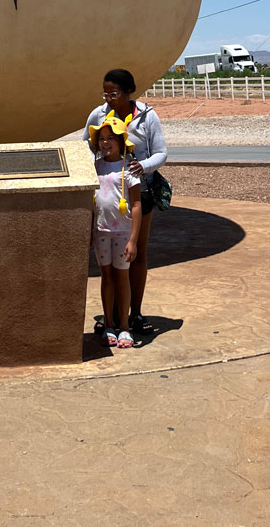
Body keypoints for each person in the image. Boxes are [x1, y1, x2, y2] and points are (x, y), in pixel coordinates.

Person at [84, 69, 167, 334]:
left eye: (114, 93)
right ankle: (116, 316)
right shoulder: (98, 115)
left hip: (138, 190)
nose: (109, 98)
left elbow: (162, 152)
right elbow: (87, 143)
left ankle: (136, 313)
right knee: (111, 262)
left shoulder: (147, 116)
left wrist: (140, 167)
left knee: (136, 252)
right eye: (105, 93)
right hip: (110, 191)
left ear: (129, 92)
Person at [89, 115, 141, 348]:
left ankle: (125, 327)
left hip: (122, 232)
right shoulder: (95, 167)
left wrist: (133, 239)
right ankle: (108, 324)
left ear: (121, 142)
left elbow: (137, 205)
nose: (105, 143)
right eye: (101, 139)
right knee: (106, 277)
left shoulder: (129, 170)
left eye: (111, 138)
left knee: (122, 278)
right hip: (101, 231)